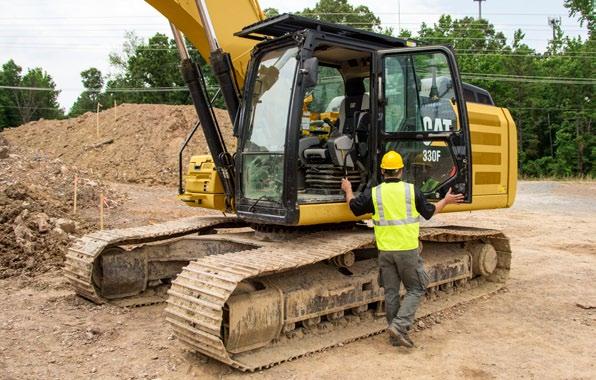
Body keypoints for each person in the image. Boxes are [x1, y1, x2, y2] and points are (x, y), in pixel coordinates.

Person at [341, 150, 464, 347]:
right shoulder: (410, 190)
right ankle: (400, 326)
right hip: (407, 250)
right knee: (417, 287)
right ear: (401, 170)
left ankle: (394, 335)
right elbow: (430, 212)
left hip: (385, 252)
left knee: (391, 292)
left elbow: (354, 207)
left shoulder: (375, 193)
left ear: (383, 171)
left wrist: (347, 189)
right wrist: (446, 201)